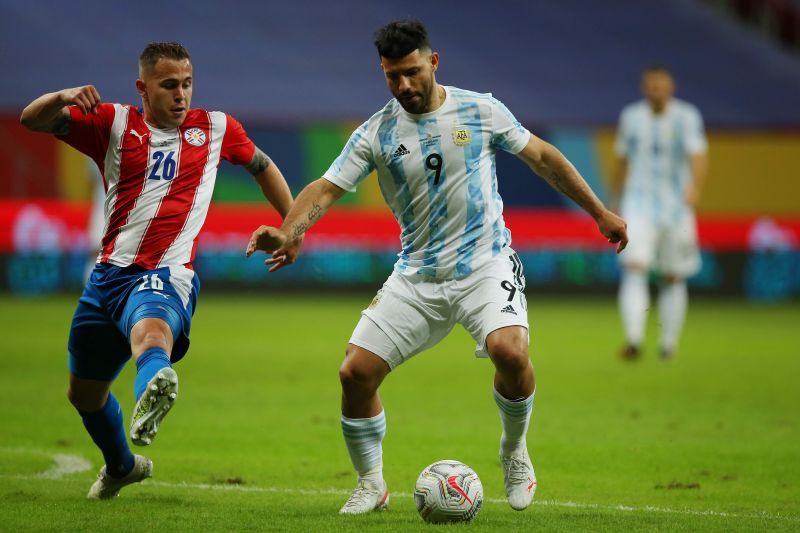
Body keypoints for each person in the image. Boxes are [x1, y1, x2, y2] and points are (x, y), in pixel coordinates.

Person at [246, 20, 627, 514]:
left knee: (510, 352)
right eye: (391, 77)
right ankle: (371, 483)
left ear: (434, 62)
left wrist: (599, 212)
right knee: (354, 374)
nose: (403, 85)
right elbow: (325, 188)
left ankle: (514, 451)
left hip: (485, 265)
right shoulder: (378, 132)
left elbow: (544, 158)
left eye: (410, 72)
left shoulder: (481, 109)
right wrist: (290, 230)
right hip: (418, 274)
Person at [20, 42, 295, 499]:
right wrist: (64, 96)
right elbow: (33, 119)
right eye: (169, 85)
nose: (181, 94)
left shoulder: (216, 128)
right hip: (107, 278)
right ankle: (122, 466)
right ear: (142, 88)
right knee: (84, 394)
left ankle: (155, 381)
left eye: (187, 84)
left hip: (167, 274)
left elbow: (263, 166)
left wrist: (292, 228)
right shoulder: (112, 123)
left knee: (151, 334)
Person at [612, 66, 708, 360]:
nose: (657, 91)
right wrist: (615, 199)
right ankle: (634, 339)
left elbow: (699, 156)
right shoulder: (631, 117)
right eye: (652, 86)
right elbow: (622, 159)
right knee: (634, 267)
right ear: (645, 88)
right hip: (638, 205)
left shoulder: (687, 117)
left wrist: (694, 188)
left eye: (662, 86)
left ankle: (668, 344)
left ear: (671, 87)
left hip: (676, 207)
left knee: (672, 276)